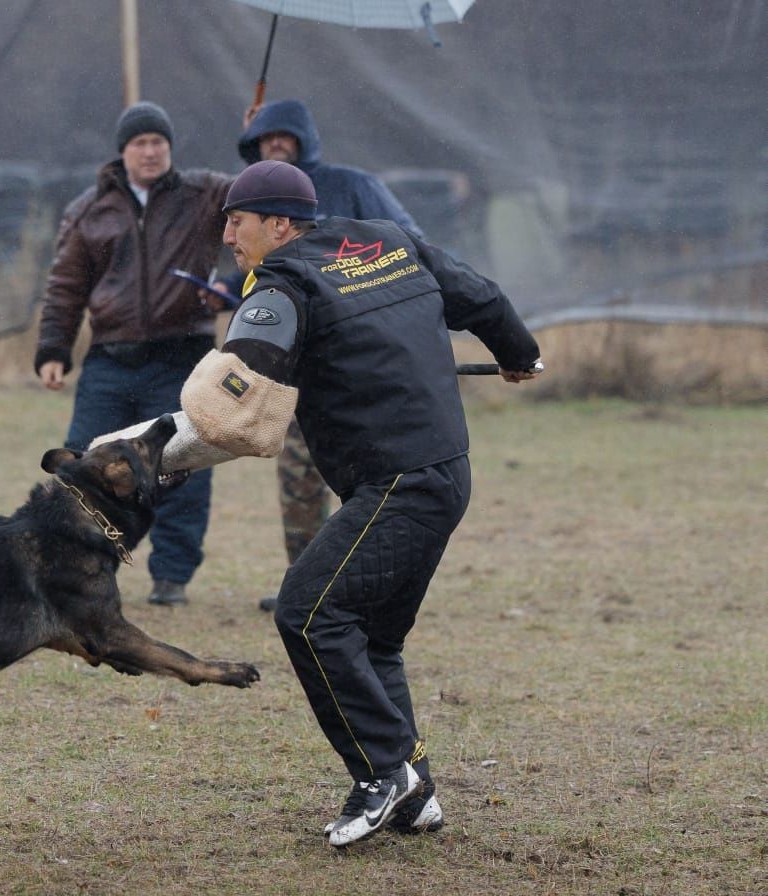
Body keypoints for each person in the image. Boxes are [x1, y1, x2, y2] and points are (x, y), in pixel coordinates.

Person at [98, 160, 541, 846]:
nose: (226, 235)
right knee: (372, 637)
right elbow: (479, 297)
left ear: (279, 224)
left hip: (398, 483)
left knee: (308, 614)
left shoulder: (282, 284)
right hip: (445, 472)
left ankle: (381, 775)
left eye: (236, 221)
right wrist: (520, 352)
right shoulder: (388, 239)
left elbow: (230, 402)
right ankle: (414, 791)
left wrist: (143, 457)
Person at [219, 99, 423, 615]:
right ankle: (306, 584)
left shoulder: (353, 186)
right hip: (297, 369)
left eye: (285, 137)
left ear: (307, 138)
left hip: (359, 365)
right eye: (266, 140)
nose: (276, 145)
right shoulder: (255, 199)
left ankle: (368, 586)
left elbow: (410, 244)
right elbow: (251, 267)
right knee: (299, 482)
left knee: (368, 482)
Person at [34, 101, 232, 606]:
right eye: (140, 143)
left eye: (158, 143)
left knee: (181, 466)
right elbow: (65, 286)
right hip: (110, 358)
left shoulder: (205, 195)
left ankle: (172, 577)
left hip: (181, 357)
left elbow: (262, 200)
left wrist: (231, 283)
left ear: (170, 148)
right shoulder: (89, 210)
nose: (150, 152)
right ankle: (75, 567)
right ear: (122, 152)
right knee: (81, 464)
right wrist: (54, 348)